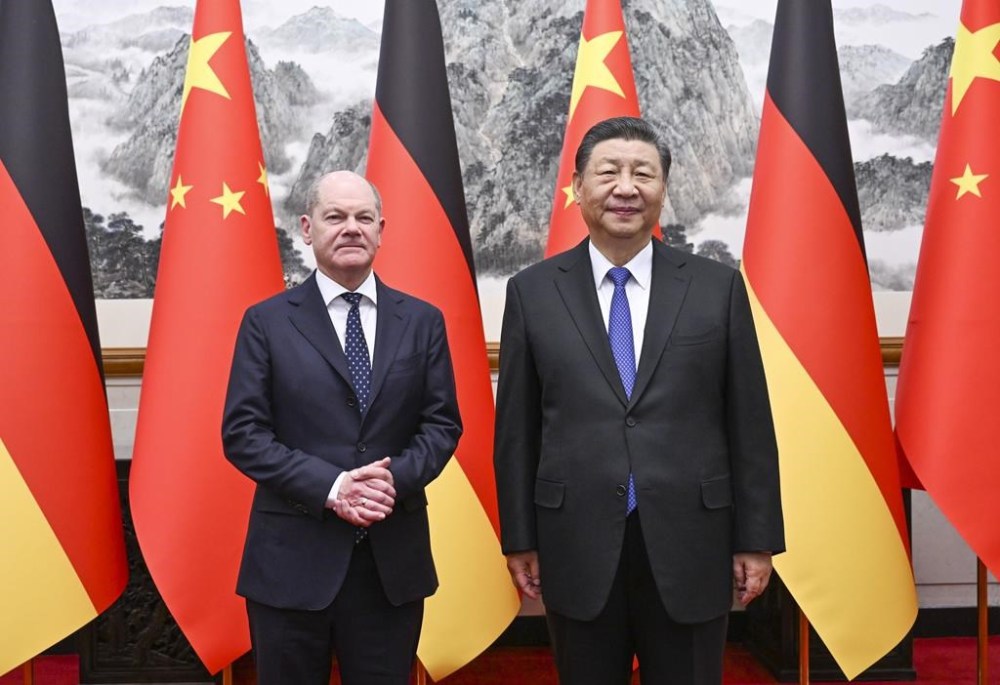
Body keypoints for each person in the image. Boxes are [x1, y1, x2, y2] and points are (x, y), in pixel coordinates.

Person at [494, 117, 784, 685]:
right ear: (578, 187)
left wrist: (758, 539)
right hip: (575, 538)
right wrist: (520, 536)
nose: (625, 187)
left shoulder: (716, 287)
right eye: (608, 172)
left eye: (642, 174)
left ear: (663, 190)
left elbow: (749, 421)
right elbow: (518, 430)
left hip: (692, 539)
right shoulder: (532, 291)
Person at [222, 170, 462, 685]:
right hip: (291, 565)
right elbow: (243, 433)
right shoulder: (266, 321)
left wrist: (387, 482)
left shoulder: (422, 321)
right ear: (307, 229)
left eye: (363, 217)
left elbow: (442, 425)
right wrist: (333, 487)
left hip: (389, 563)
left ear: (381, 229)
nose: (350, 228)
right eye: (335, 217)